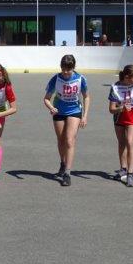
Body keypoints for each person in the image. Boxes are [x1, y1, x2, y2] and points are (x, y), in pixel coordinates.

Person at [43, 55, 90, 187]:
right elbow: (46, 98)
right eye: (63, 69)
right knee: (61, 140)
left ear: (73, 68)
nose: (65, 72)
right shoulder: (56, 79)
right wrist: (51, 108)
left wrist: (85, 116)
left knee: (69, 140)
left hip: (74, 111)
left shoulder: (80, 79)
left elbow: (86, 97)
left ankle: (67, 173)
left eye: (68, 70)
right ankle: (63, 163)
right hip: (59, 111)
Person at [108, 64, 133, 187]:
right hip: (119, 116)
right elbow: (111, 109)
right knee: (122, 143)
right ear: (126, 77)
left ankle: (130, 174)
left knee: (130, 141)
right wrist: (121, 108)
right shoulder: (115, 87)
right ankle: (123, 169)